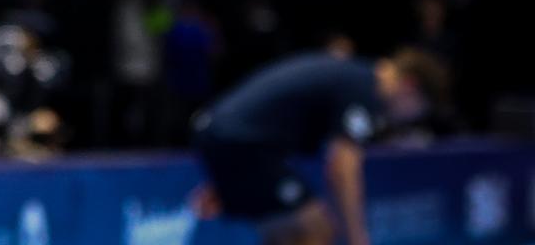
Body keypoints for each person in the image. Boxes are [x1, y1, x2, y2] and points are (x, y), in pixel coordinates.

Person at [189, 47, 450, 245]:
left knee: (290, 233)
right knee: (317, 229)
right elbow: (342, 168)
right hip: (241, 143)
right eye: (417, 111)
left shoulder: (354, 76)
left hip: (227, 138)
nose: (407, 118)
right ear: (410, 87)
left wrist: (232, 183)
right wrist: (358, 238)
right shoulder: (366, 90)